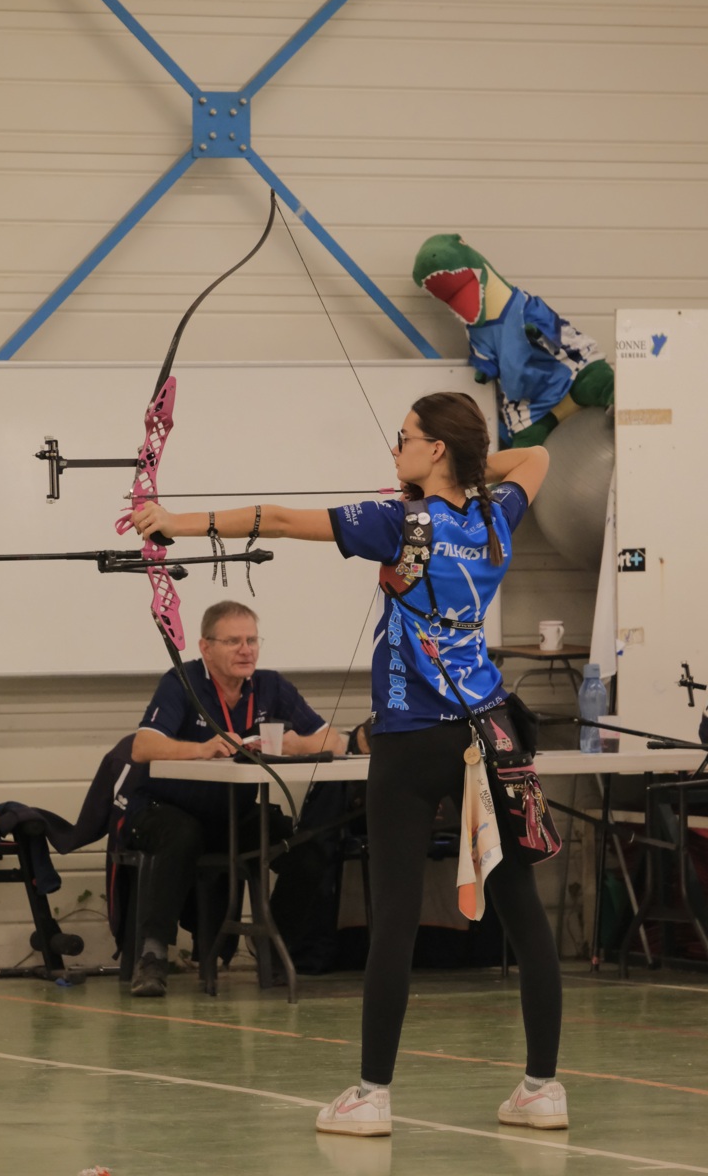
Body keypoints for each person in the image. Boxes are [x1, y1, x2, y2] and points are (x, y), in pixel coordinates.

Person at [133, 391, 565, 1135]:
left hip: (411, 741)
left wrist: (176, 522)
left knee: (394, 918)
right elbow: (538, 456)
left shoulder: (401, 522)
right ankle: (543, 1088)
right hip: (489, 734)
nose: (395, 449)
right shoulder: (493, 516)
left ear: (435, 449)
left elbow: (277, 519)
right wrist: (465, 470)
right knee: (523, 911)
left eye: (407, 438)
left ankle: (371, 1096)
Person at [127, 599, 346, 996]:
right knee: (182, 836)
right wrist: (202, 749)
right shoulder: (182, 681)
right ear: (205, 647)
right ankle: (153, 957)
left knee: (309, 850)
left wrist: (295, 745)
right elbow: (143, 746)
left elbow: (333, 740)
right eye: (233, 642)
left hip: (235, 813)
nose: (246, 650)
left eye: (252, 640)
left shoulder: (270, 686)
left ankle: (273, 945)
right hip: (168, 808)